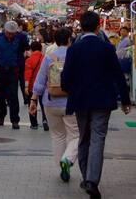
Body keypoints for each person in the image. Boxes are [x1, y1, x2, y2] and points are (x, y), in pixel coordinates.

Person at [62, 11, 132, 199]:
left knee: (84, 137)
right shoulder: (107, 48)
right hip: (102, 100)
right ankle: (92, 181)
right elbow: (118, 75)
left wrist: (72, 90)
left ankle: (86, 178)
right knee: (98, 138)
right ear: (97, 26)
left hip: (81, 100)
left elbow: (65, 79)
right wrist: (125, 100)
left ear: (81, 27)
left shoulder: (73, 50)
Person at [31, 27, 79, 183]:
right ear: (69, 40)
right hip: (71, 102)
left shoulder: (49, 57)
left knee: (57, 135)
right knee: (76, 135)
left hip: (50, 101)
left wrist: (33, 99)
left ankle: (61, 168)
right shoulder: (75, 56)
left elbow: (40, 80)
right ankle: (68, 159)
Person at [0, 20, 29, 129]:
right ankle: (1, 116)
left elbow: (27, 50)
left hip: (13, 71)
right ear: (5, 30)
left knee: (13, 96)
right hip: (0, 70)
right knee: (0, 96)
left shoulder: (20, 38)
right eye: (8, 33)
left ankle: (15, 120)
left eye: (13, 33)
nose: (10, 35)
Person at [23, 41, 47, 130]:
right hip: (44, 85)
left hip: (32, 86)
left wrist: (26, 86)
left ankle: (34, 123)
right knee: (44, 104)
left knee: (32, 103)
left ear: (31, 49)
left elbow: (27, 74)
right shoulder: (45, 58)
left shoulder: (29, 60)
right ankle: (45, 120)